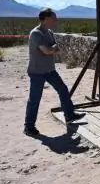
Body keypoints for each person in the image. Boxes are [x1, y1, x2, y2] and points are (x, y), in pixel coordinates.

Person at [24, 8, 85, 137]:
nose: (55, 21)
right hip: (37, 72)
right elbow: (47, 51)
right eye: (53, 18)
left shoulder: (49, 32)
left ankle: (69, 115)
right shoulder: (36, 33)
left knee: (63, 89)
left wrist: (51, 49)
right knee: (35, 99)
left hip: (50, 70)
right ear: (45, 19)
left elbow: (54, 48)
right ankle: (29, 126)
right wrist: (51, 50)